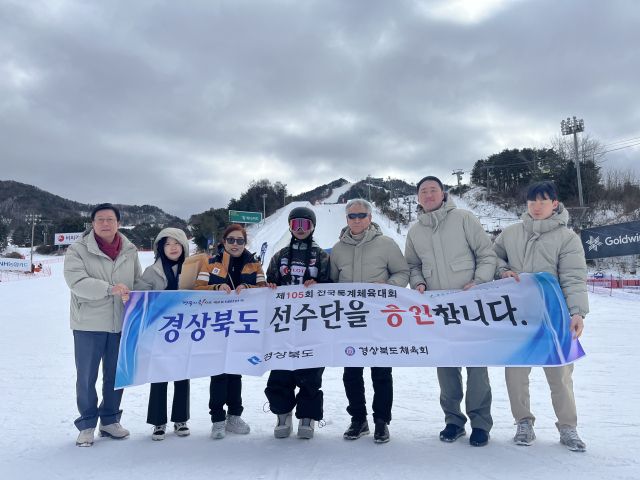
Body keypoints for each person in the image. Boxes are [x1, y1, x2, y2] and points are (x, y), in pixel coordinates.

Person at [494, 181, 588, 452]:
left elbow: (573, 278)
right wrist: (502, 271)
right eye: (532, 201)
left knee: (560, 374)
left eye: (543, 201)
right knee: (515, 373)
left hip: (554, 317)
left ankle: (568, 427)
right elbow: (491, 257)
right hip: (517, 317)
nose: (537, 206)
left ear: (555, 204)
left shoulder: (567, 238)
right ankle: (523, 422)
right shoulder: (511, 233)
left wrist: (577, 312)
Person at [404, 176, 496, 447]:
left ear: (443, 194)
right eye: (424, 191)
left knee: (477, 367)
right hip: (439, 311)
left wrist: (479, 283)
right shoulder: (414, 232)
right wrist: (418, 282)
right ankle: (453, 421)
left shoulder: (464, 219)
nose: (429, 194)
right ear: (418, 198)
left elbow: (487, 254)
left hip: (471, 307)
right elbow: (412, 265)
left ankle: (480, 423)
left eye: (434, 190)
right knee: (446, 368)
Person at [330, 199, 410, 444]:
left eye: (361, 215)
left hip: (379, 319)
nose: (356, 219)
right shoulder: (338, 249)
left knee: (381, 373)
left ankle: (381, 422)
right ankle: (358, 420)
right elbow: (331, 284)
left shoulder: (386, 244)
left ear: (370, 217)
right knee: (352, 373)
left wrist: (389, 285)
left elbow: (403, 273)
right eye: (352, 216)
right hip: (350, 321)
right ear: (346, 219)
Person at [63, 203, 142, 447]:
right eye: (100, 220)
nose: (105, 224)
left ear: (119, 223)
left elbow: (137, 280)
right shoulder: (77, 250)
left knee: (116, 376)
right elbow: (76, 281)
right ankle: (87, 424)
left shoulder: (130, 250)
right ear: (93, 224)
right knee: (86, 377)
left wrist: (136, 295)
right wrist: (110, 289)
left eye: (110, 219)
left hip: (120, 323)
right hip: (88, 323)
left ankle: (109, 421)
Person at [264, 206, 331, 440]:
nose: (300, 229)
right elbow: (268, 280)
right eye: (295, 225)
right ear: (290, 227)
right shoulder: (280, 255)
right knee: (281, 370)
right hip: (283, 323)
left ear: (312, 227)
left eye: (305, 224)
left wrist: (320, 286)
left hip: (310, 323)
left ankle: (307, 417)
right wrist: (270, 286)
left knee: (309, 371)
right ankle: (283, 414)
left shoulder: (321, 255)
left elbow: (333, 286)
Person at [194, 225, 266, 439]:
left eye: (240, 241)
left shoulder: (254, 264)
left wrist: (248, 288)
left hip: (243, 326)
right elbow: (197, 288)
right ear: (223, 242)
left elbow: (264, 289)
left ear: (245, 243)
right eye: (231, 240)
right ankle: (217, 419)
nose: (235, 244)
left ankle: (234, 415)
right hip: (218, 326)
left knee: (236, 371)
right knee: (218, 372)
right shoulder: (211, 263)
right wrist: (216, 289)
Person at [124, 228, 192, 441]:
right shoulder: (152, 271)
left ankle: (181, 419)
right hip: (159, 332)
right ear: (161, 247)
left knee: (182, 374)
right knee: (159, 374)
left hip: (185, 329)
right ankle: (158, 422)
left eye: (177, 243)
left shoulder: (193, 269)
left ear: (184, 246)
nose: (173, 247)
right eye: (168, 243)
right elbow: (140, 296)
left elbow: (202, 293)